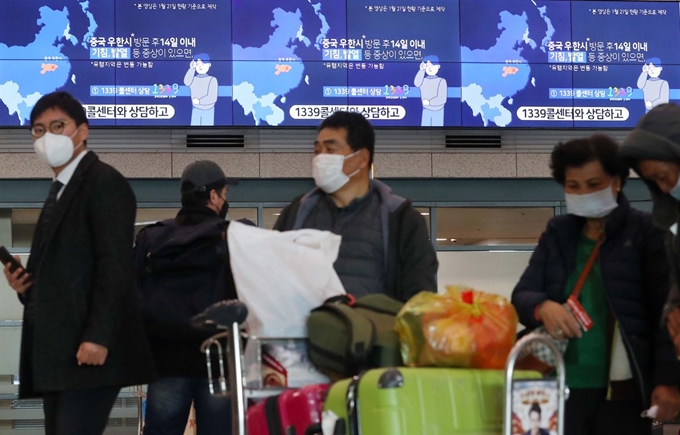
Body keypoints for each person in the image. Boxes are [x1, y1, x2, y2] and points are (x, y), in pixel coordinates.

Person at [2, 91, 156, 435]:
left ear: (82, 131)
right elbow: (67, 275)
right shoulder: (58, 191)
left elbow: (114, 266)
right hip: (61, 350)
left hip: (90, 349)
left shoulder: (105, 183)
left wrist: (98, 337)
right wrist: (26, 288)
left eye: (58, 126)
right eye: (38, 130)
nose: (47, 137)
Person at [511, 134, 680, 434]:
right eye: (573, 186)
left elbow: (664, 313)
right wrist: (542, 307)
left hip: (622, 393)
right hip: (556, 387)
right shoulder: (557, 232)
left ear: (616, 182)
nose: (582, 194)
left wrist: (668, 381)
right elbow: (522, 294)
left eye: (594, 185)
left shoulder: (646, 232)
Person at [274, 111, 438, 302]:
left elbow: (420, 298)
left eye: (331, 150)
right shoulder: (296, 213)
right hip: (307, 330)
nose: (320, 159)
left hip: (374, 330)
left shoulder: (401, 219)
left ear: (362, 158)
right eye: (317, 151)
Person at [135, 160, 238, 435]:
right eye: (225, 194)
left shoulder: (152, 238)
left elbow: (133, 295)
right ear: (214, 197)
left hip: (165, 360)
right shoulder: (232, 237)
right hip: (217, 362)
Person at [619, 103, 680, 358]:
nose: (664, 188)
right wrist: (674, 309)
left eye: (663, 175)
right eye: (653, 181)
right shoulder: (674, 229)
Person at [184, 53, 218, 126]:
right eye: (198, 64)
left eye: (203, 64)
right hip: (196, 109)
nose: (200, 66)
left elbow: (212, 97)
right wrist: (191, 68)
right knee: (193, 131)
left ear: (209, 65)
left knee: (208, 133)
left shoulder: (212, 79)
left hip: (208, 110)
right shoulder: (193, 79)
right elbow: (187, 82)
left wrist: (199, 101)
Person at [414, 55, 447, 126]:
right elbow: (417, 83)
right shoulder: (424, 80)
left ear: (438, 66)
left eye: (432, 65)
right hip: (426, 110)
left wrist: (429, 102)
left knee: (438, 132)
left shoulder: (441, 81)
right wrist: (421, 70)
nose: (430, 68)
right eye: (428, 66)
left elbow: (442, 98)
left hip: (438, 111)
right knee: (423, 133)